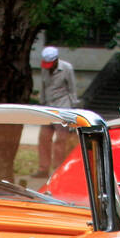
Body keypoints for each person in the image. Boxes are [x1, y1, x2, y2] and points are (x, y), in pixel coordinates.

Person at [35, 45, 77, 178]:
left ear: (56, 60)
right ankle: (43, 168)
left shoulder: (67, 68)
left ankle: (58, 170)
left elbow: (72, 89)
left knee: (60, 140)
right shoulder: (44, 69)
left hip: (63, 107)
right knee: (43, 138)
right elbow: (43, 86)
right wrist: (42, 103)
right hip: (48, 107)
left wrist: (72, 111)